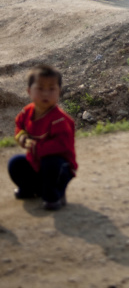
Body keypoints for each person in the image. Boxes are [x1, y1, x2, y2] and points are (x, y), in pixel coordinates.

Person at [8, 64, 77, 211]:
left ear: (59, 92)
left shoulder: (59, 119)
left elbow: (61, 144)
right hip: (36, 161)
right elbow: (19, 126)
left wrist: (37, 148)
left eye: (51, 89)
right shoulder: (27, 112)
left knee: (50, 163)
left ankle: (55, 195)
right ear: (29, 91)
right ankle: (32, 189)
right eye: (40, 88)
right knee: (15, 163)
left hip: (60, 165)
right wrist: (22, 138)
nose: (46, 93)